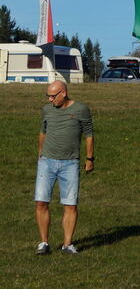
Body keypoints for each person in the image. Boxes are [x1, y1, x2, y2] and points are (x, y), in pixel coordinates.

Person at [34, 81, 94, 255]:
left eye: (53, 96)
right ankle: (44, 243)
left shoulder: (81, 109)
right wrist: (40, 154)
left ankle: (67, 244)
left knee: (70, 204)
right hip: (47, 162)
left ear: (63, 93)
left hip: (70, 163)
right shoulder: (47, 110)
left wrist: (90, 159)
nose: (50, 99)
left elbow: (89, 135)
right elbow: (43, 132)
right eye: (48, 96)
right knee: (41, 202)